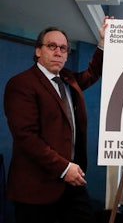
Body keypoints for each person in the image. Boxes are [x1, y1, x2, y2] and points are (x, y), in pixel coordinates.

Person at [3, 16, 113, 223]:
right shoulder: (21, 84)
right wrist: (64, 168)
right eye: (51, 46)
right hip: (36, 188)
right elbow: (26, 136)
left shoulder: (68, 79)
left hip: (71, 182)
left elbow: (91, 73)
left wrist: (102, 43)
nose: (58, 52)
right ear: (38, 51)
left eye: (63, 48)